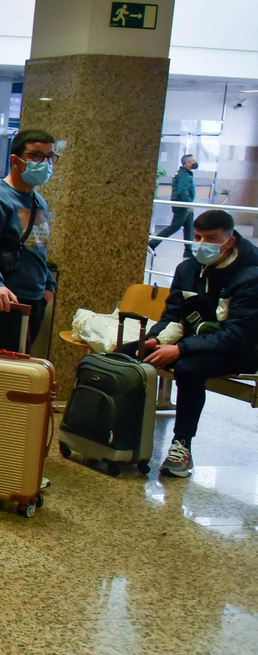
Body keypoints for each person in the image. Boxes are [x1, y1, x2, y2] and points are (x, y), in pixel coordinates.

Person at [118, 210, 258, 477]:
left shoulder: (251, 275)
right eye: (197, 236)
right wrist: (155, 339)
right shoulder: (188, 268)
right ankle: (114, 430)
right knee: (127, 352)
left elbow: (238, 335)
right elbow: (173, 314)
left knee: (189, 368)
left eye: (211, 238)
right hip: (195, 337)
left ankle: (182, 445)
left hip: (240, 349)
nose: (202, 243)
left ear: (229, 241)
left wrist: (181, 349)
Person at [0, 128, 56, 352]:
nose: (43, 163)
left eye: (49, 157)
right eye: (35, 156)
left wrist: (48, 286)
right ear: (15, 160)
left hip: (32, 298)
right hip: (1, 297)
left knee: (15, 368)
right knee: (5, 374)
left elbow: (36, 248)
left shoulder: (37, 201)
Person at [152, 154, 198, 258]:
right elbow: (182, 190)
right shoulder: (184, 175)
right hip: (182, 205)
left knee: (189, 227)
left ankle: (188, 251)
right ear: (187, 163)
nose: (195, 163)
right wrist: (188, 204)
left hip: (185, 205)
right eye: (193, 161)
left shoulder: (185, 173)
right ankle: (152, 243)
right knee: (175, 226)